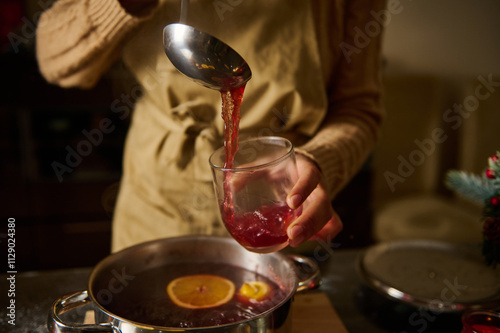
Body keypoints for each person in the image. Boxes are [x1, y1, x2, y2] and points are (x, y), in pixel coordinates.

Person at [36, 0, 386, 252]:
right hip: (159, 200)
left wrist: (319, 160)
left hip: (283, 201)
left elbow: (358, 108)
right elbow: (56, 62)